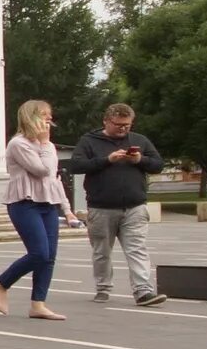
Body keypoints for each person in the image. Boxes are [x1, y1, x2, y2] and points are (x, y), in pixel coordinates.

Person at [63, 103, 169, 307]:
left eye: (127, 125)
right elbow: (76, 165)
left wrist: (140, 160)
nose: (123, 129)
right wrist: (106, 160)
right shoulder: (89, 141)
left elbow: (158, 165)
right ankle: (103, 287)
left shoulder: (139, 140)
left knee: (137, 248)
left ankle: (143, 291)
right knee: (102, 250)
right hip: (101, 207)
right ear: (106, 121)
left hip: (135, 206)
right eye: (118, 124)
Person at [0, 100, 69, 321]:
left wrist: (66, 208)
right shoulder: (19, 144)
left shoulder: (48, 146)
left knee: (49, 257)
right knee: (39, 253)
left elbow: (53, 176)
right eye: (43, 115)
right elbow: (41, 170)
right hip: (24, 203)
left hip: (47, 202)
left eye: (49, 116)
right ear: (30, 117)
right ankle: (1, 284)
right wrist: (44, 144)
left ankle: (38, 304)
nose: (48, 121)